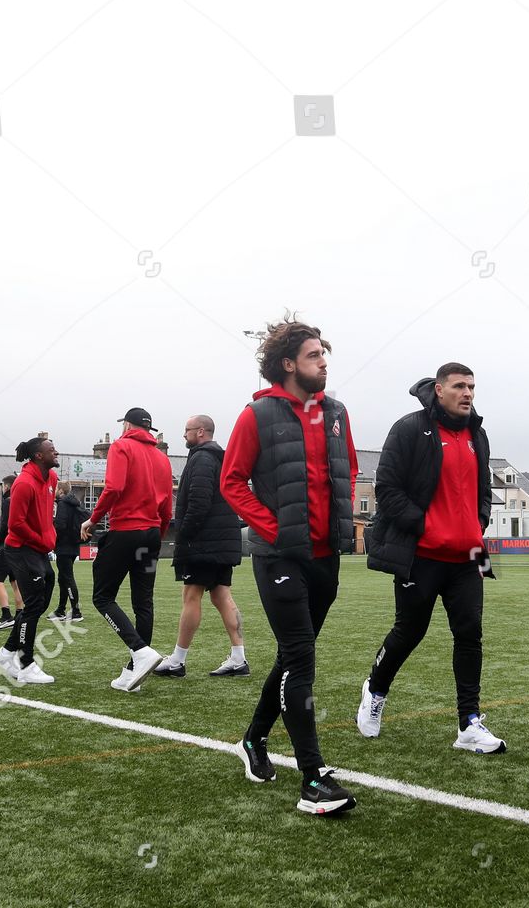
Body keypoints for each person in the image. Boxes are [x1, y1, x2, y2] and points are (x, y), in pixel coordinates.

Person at [220, 316, 359, 815]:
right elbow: (232, 482)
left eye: (325, 354)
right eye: (314, 355)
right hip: (279, 556)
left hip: (326, 557)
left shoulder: (338, 412)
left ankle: (255, 739)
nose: (323, 362)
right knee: (301, 660)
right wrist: (275, 529)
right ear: (288, 364)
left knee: (290, 657)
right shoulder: (256, 417)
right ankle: (313, 779)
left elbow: (348, 472)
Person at [358, 364, 503, 755]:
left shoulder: (478, 433)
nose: (468, 393)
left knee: (470, 634)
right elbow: (386, 489)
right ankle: (375, 689)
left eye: (472, 386)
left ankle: (469, 723)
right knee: (410, 632)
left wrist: (479, 523)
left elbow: (484, 490)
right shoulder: (409, 428)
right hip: (421, 554)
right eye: (459, 386)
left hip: (470, 554)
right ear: (439, 390)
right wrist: (425, 526)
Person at [81, 408, 173, 692]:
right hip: (150, 534)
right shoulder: (161, 456)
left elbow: (114, 487)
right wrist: (156, 534)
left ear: (127, 425)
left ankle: (140, 652)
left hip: (126, 532)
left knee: (102, 597)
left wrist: (93, 519)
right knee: (143, 601)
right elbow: (167, 505)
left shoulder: (121, 446)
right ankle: (134, 670)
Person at [153, 414, 249, 678]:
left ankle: (177, 660)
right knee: (222, 596)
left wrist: (184, 534)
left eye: (187, 430)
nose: (184, 435)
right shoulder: (217, 457)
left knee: (191, 596)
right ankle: (239, 658)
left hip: (205, 542)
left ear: (202, 432)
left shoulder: (203, 458)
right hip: (221, 540)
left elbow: (199, 501)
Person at [0, 437, 61, 685]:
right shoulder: (23, 484)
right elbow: (16, 525)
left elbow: (44, 516)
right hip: (21, 549)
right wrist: (42, 540)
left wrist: (48, 537)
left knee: (42, 599)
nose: (56, 451)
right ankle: (26, 663)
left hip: (39, 549)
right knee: (32, 605)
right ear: (38, 456)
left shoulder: (52, 479)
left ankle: (6, 653)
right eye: (50, 449)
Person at [0, 474, 24, 631]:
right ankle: (19, 614)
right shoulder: (22, 499)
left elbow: (5, 524)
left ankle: (6, 615)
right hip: (21, 547)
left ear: (8, 486)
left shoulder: (8, 501)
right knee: (15, 581)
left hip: (7, 545)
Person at [50, 485, 88, 622]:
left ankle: (76, 611)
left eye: (55, 489)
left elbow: (60, 525)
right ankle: (61, 610)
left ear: (61, 491)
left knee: (67, 578)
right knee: (63, 578)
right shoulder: (75, 503)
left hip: (64, 547)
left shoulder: (63, 504)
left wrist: (52, 535)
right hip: (73, 545)